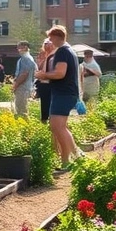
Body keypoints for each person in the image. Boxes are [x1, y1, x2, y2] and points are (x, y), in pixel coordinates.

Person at [35, 26, 79, 165]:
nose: (50, 40)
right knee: (61, 127)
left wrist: (43, 75)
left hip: (63, 93)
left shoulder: (62, 52)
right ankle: (75, 156)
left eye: (51, 37)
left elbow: (60, 73)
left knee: (57, 127)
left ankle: (66, 160)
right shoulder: (69, 50)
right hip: (66, 93)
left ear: (57, 37)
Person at [12, 41, 38, 117]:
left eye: (19, 48)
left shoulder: (26, 59)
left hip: (23, 88)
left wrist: (15, 85)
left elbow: (24, 74)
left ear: (26, 48)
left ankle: (24, 126)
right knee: (21, 109)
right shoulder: (28, 59)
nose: (18, 50)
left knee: (21, 110)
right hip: (25, 87)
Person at [34, 38, 56, 124]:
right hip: (43, 84)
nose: (47, 46)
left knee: (52, 105)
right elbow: (40, 68)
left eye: (49, 44)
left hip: (51, 84)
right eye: (46, 44)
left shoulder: (55, 56)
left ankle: (52, 123)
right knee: (44, 105)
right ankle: (44, 122)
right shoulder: (44, 55)